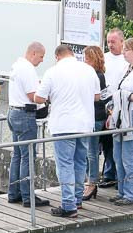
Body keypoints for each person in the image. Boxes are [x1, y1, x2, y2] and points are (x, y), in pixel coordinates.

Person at [35, 45, 101, 217]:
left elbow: (39, 98)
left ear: (57, 56)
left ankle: (68, 205)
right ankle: (77, 200)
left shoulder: (52, 72)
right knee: (80, 162)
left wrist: (52, 97)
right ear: (73, 54)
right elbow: (97, 96)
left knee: (65, 164)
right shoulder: (88, 70)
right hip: (85, 124)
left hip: (63, 124)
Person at [6, 42, 50, 207]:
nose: (41, 60)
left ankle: (13, 193)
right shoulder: (28, 69)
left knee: (17, 155)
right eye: (41, 56)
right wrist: (47, 98)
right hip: (25, 115)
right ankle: (28, 197)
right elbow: (33, 96)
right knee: (28, 156)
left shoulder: (16, 65)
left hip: (13, 112)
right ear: (33, 53)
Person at [108, 38, 133, 205]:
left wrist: (124, 95)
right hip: (121, 115)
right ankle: (122, 189)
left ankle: (132, 193)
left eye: (126, 49)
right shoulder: (128, 68)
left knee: (129, 155)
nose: (123, 52)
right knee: (118, 154)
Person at [82, 46, 111, 201]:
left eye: (87, 58)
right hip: (93, 115)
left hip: (95, 116)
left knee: (91, 152)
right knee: (89, 151)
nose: (84, 61)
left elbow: (98, 97)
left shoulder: (97, 75)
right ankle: (89, 181)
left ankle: (91, 182)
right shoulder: (98, 74)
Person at [100, 29, 126, 186]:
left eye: (113, 42)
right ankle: (109, 172)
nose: (110, 45)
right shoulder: (104, 57)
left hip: (121, 104)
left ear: (122, 42)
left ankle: (118, 173)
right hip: (105, 102)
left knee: (120, 140)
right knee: (107, 141)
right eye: (108, 41)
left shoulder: (126, 59)